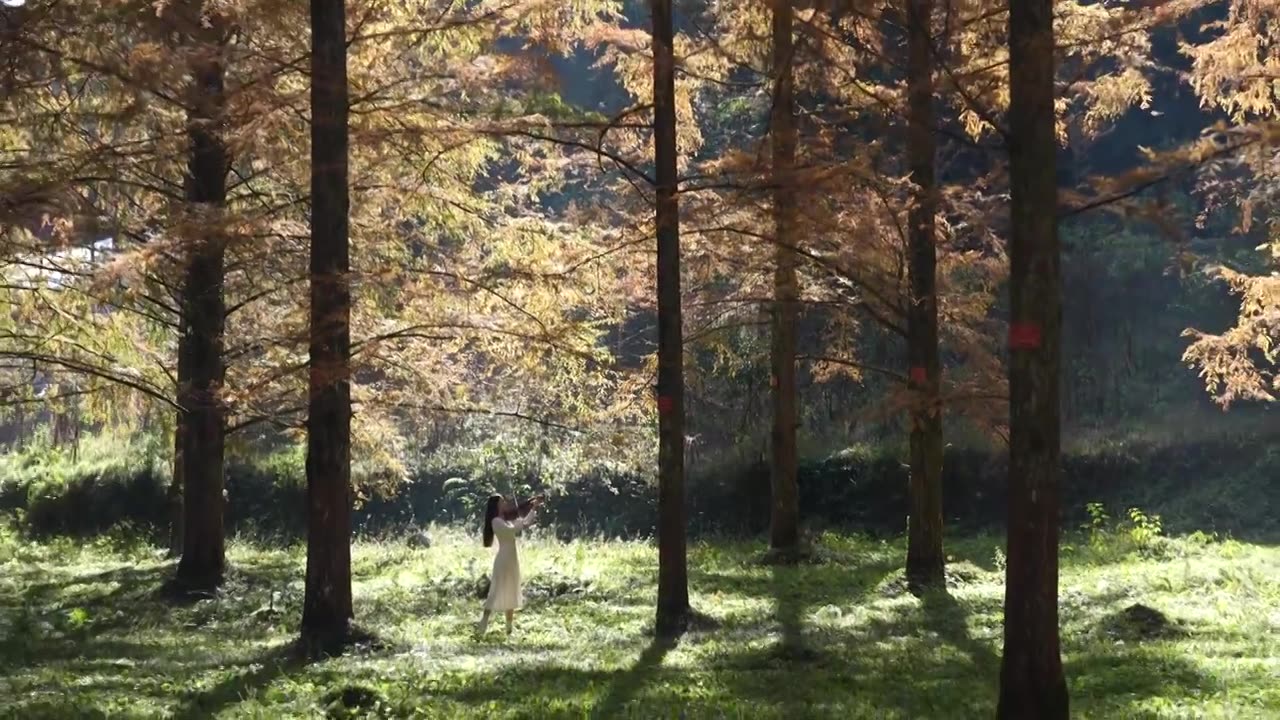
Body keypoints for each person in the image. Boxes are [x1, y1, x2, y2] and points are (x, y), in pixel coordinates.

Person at [475, 492, 543, 637]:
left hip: (512, 559)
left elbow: (524, 524)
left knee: (511, 589)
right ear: (497, 505)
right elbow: (513, 529)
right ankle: (484, 623)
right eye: (502, 502)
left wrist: (534, 507)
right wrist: (519, 520)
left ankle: (509, 628)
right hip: (503, 559)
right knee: (495, 590)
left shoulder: (505, 520)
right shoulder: (496, 522)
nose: (505, 504)